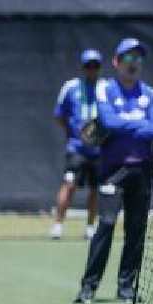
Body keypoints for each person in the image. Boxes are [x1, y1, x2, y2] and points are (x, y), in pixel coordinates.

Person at [74, 38, 153, 304]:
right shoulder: (105, 90)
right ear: (116, 62)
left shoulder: (150, 94)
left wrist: (124, 125)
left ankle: (126, 287)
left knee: (136, 229)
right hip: (113, 171)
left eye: (137, 59)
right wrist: (138, 123)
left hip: (142, 171)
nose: (133, 64)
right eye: (127, 58)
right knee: (107, 225)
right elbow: (108, 121)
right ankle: (88, 288)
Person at [50, 49, 102, 240]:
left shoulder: (106, 88)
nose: (92, 69)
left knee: (96, 189)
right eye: (88, 65)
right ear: (83, 67)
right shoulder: (71, 87)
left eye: (95, 65)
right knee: (69, 184)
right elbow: (59, 116)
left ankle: (90, 226)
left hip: (99, 150)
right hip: (76, 149)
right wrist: (73, 134)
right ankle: (57, 225)